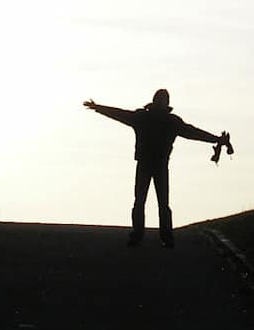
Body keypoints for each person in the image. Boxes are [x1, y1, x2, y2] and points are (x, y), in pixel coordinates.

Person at [84, 89, 230, 248]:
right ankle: (164, 237)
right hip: (159, 165)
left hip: (147, 164)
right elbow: (193, 132)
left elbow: (120, 114)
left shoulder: (143, 117)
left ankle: (139, 235)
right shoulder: (169, 121)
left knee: (142, 201)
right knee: (159, 202)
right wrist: (217, 139)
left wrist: (98, 108)